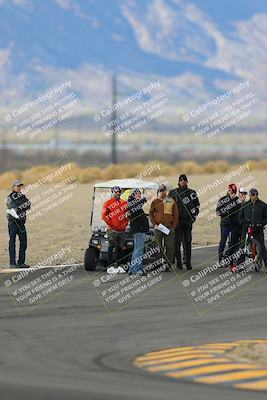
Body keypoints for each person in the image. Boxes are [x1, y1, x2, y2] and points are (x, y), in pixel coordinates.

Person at [169, 175, 199, 270]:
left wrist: (194, 217)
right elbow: (168, 207)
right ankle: (178, 263)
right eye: (181, 180)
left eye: (184, 180)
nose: (183, 181)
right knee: (177, 242)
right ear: (178, 182)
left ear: (187, 181)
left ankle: (188, 262)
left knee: (188, 242)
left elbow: (197, 206)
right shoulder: (173, 192)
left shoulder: (192, 192)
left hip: (188, 221)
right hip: (178, 221)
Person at [149, 184, 179, 271]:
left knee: (169, 247)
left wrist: (174, 226)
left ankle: (167, 265)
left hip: (169, 228)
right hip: (158, 227)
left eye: (164, 190)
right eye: (161, 191)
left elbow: (176, 215)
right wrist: (154, 224)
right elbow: (151, 213)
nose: (163, 192)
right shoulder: (155, 201)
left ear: (166, 191)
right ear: (158, 192)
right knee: (158, 246)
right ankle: (158, 264)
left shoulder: (171, 201)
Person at [238, 188, 267, 270]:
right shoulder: (245, 205)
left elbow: (266, 218)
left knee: (262, 247)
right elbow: (240, 217)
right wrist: (243, 224)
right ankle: (240, 264)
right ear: (250, 196)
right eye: (253, 195)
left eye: (256, 195)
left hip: (258, 229)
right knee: (242, 246)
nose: (255, 196)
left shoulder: (263, 205)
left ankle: (266, 265)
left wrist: (260, 224)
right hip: (247, 229)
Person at [102, 186, 128, 272]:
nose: (118, 193)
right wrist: (112, 225)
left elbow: (127, 215)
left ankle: (118, 266)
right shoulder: (107, 203)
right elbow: (104, 216)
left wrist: (125, 224)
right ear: (112, 192)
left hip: (122, 229)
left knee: (120, 248)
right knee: (111, 246)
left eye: (119, 192)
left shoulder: (124, 203)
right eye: (116, 192)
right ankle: (110, 267)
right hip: (112, 230)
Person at [6, 180, 31, 268]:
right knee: (12, 242)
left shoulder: (23, 196)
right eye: (17, 186)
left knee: (24, 242)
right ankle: (12, 263)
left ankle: (21, 263)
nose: (19, 187)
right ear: (13, 187)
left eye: (20, 186)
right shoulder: (9, 197)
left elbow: (28, 205)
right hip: (13, 223)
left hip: (21, 223)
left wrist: (20, 207)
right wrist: (21, 207)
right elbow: (12, 208)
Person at [127, 189, 149, 275]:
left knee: (136, 250)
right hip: (139, 230)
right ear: (133, 195)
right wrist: (143, 200)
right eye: (137, 194)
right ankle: (137, 270)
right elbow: (137, 207)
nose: (139, 195)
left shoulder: (133, 203)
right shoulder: (132, 204)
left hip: (139, 230)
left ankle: (132, 269)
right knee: (139, 251)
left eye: (140, 194)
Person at [216, 183, 238, 264]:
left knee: (233, 242)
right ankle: (220, 259)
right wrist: (227, 211)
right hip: (225, 224)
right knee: (223, 241)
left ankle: (231, 259)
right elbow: (218, 212)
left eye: (233, 192)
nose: (231, 193)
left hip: (234, 224)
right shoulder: (223, 200)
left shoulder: (237, 200)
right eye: (230, 191)